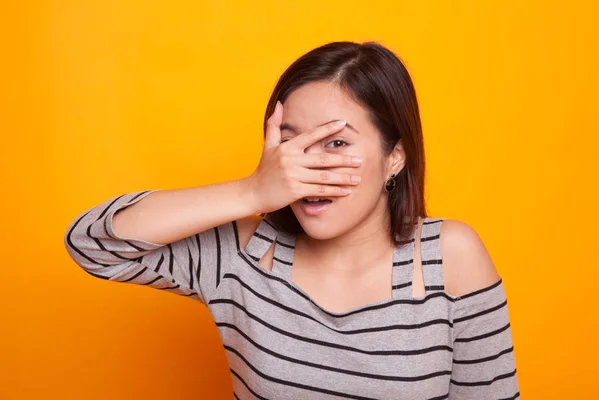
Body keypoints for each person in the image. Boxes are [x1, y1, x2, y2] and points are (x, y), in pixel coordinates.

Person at [64, 41, 520, 399]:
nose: (305, 166)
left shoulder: (450, 257)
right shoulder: (243, 254)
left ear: (394, 156)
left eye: (336, 144)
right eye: (291, 142)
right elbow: (92, 244)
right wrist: (251, 191)